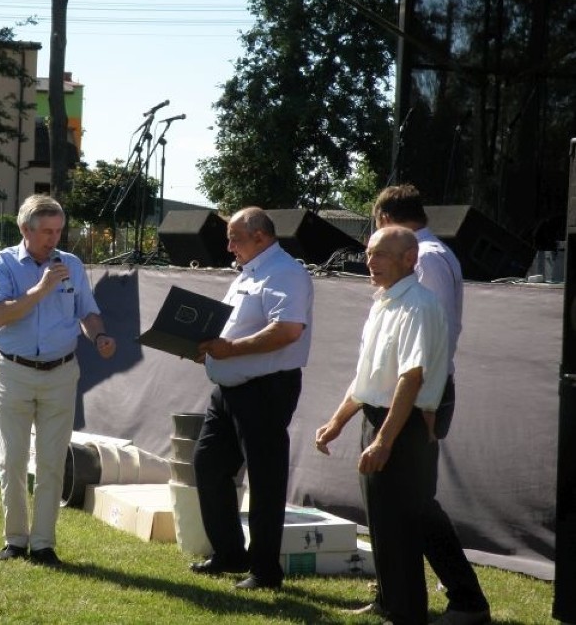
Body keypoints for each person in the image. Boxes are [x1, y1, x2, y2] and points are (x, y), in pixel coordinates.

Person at [316, 226, 449, 625]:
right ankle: (390, 603)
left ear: (410, 259)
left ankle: (407, 612)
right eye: (370, 253)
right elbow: (368, 378)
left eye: (382, 254)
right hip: (378, 422)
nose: (371, 262)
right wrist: (338, 421)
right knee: (381, 521)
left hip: (401, 427)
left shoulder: (420, 306)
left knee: (402, 524)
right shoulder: (383, 304)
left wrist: (386, 441)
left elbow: (412, 378)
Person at [371, 185, 490, 624]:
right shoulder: (422, 253)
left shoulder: (428, 258)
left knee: (416, 503)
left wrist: (423, 405)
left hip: (421, 394)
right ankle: (392, 595)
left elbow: (428, 344)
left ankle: (467, 599)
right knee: (390, 502)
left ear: (385, 218)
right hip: (399, 394)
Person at [0, 194, 116, 567]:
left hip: (61, 372)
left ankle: (43, 544)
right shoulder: (1, 263)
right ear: (25, 229)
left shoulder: (71, 264)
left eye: (58, 231)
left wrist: (99, 336)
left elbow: (88, 312)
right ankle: (14, 540)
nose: (53, 239)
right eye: (45, 231)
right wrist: (40, 289)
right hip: (14, 371)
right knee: (11, 459)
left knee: (52, 461)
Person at [189, 206, 313, 590]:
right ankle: (229, 553)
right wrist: (208, 348)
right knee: (208, 465)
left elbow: (289, 329)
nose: (228, 247)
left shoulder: (286, 272)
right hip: (229, 388)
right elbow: (236, 327)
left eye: (234, 238)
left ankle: (264, 571)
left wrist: (231, 349)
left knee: (265, 479)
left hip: (265, 388)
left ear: (260, 236)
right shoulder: (251, 271)